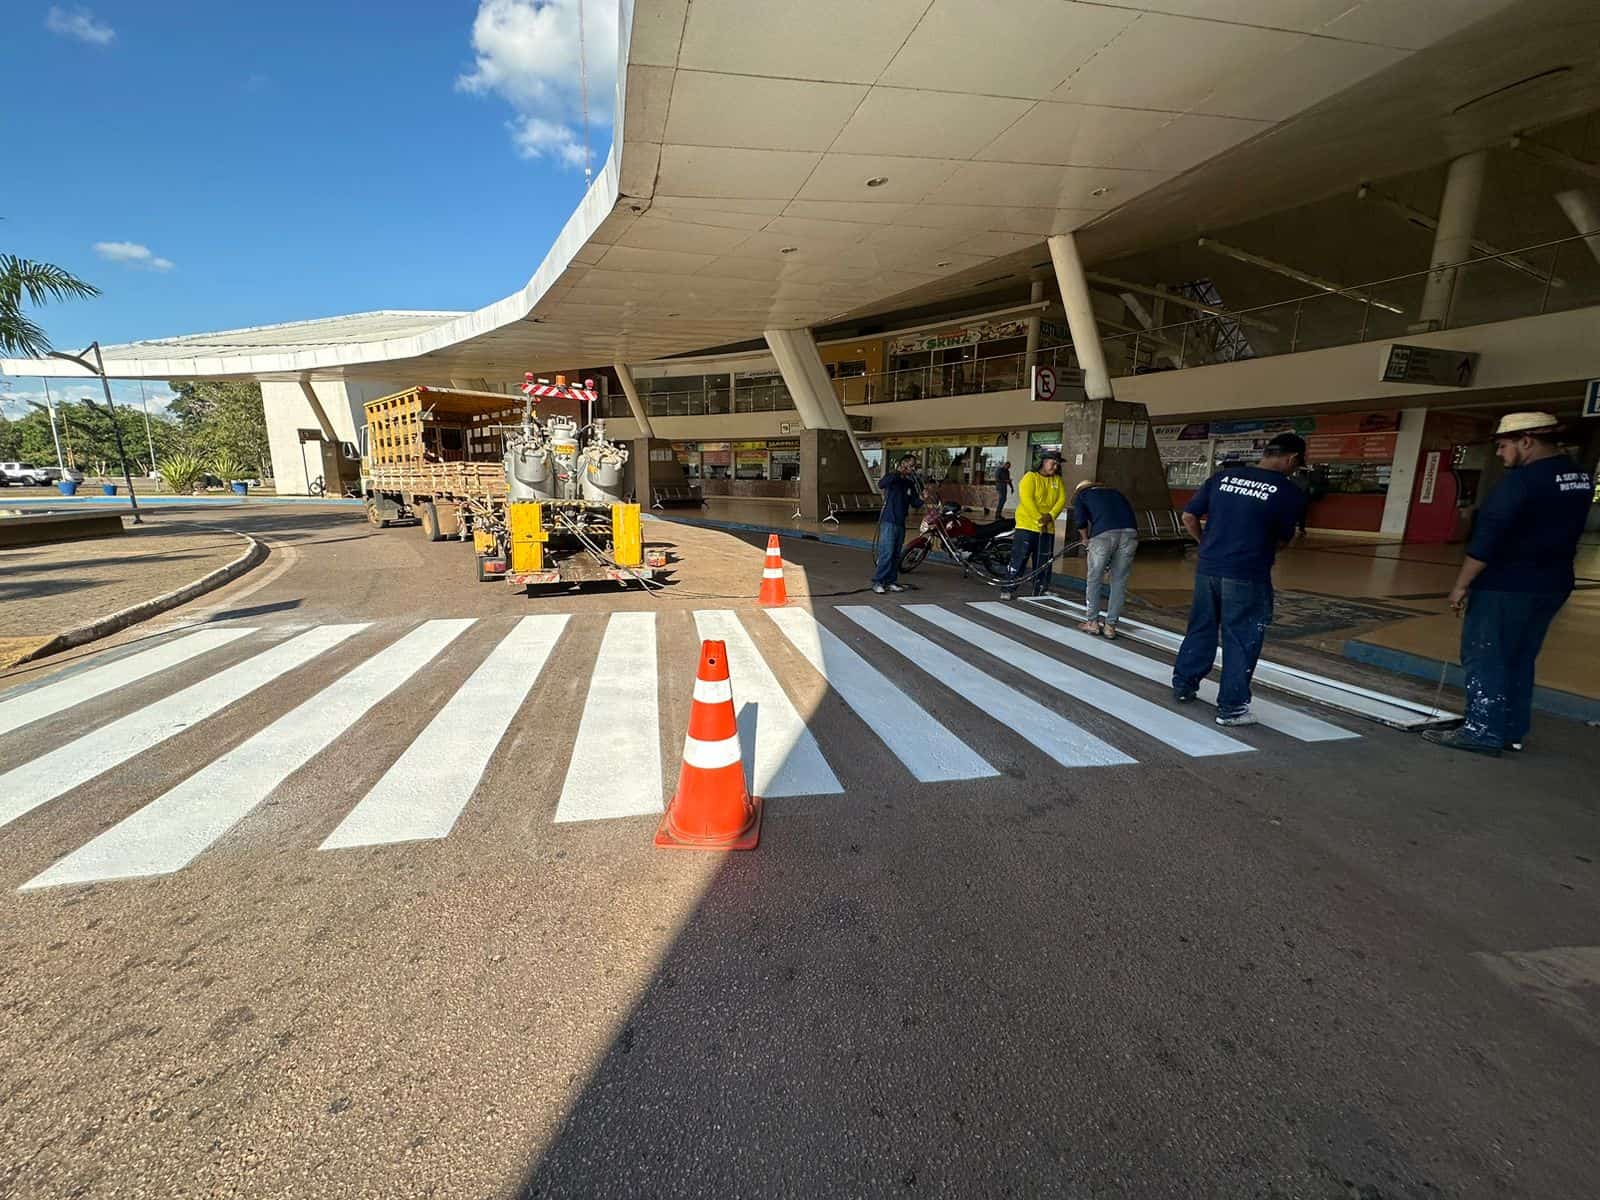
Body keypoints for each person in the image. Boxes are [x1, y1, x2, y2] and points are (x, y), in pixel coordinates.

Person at [1423, 412, 1592, 756]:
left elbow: (1489, 537)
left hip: (1507, 583)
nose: (1499, 454)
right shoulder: (1578, 477)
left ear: (1526, 442)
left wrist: (1461, 585)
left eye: (1503, 446)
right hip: (1553, 582)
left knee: (1486, 654)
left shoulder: (1522, 481)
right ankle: (1509, 730)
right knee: (1520, 656)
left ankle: (1482, 731)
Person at [1171, 433, 1307, 726]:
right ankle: (1231, 708)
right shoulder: (1288, 491)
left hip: (1208, 568)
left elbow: (1188, 517)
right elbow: (1285, 538)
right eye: (1296, 465)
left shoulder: (1223, 478)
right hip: (1247, 572)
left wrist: (1205, 544)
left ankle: (1184, 685)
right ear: (1291, 459)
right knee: (1242, 636)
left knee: (1202, 626)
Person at [1072, 479, 1139, 638]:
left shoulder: (1082, 495)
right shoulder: (1116, 493)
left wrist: (1085, 539)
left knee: (1095, 578)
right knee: (1119, 581)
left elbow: (1080, 520)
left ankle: (1092, 623)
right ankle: (1110, 626)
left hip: (1103, 535)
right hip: (1130, 534)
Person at [1002, 450, 1066, 601]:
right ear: (1043, 462)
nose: (1055, 467)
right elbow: (1027, 500)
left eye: (1057, 464)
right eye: (1053, 463)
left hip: (1047, 527)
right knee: (1019, 558)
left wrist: (1050, 516)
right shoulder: (1030, 478)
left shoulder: (1057, 480)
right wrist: (1039, 519)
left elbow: (1062, 500)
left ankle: (1041, 589)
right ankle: (1008, 588)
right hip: (1027, 526)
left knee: (1044, 561)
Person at [872, 453, 923, 595]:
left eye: (914, 466)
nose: (913, 468)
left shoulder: (909, 483)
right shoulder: (893, 478)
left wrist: (923, 499)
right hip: (889, 521)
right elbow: (881, 484)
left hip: (901, 523)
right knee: (886, 553)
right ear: (903, 464)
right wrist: (898, 472)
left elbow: (914, 503)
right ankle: (878, 582)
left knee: (895, 554)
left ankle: (891, 581)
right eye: (911, 465)